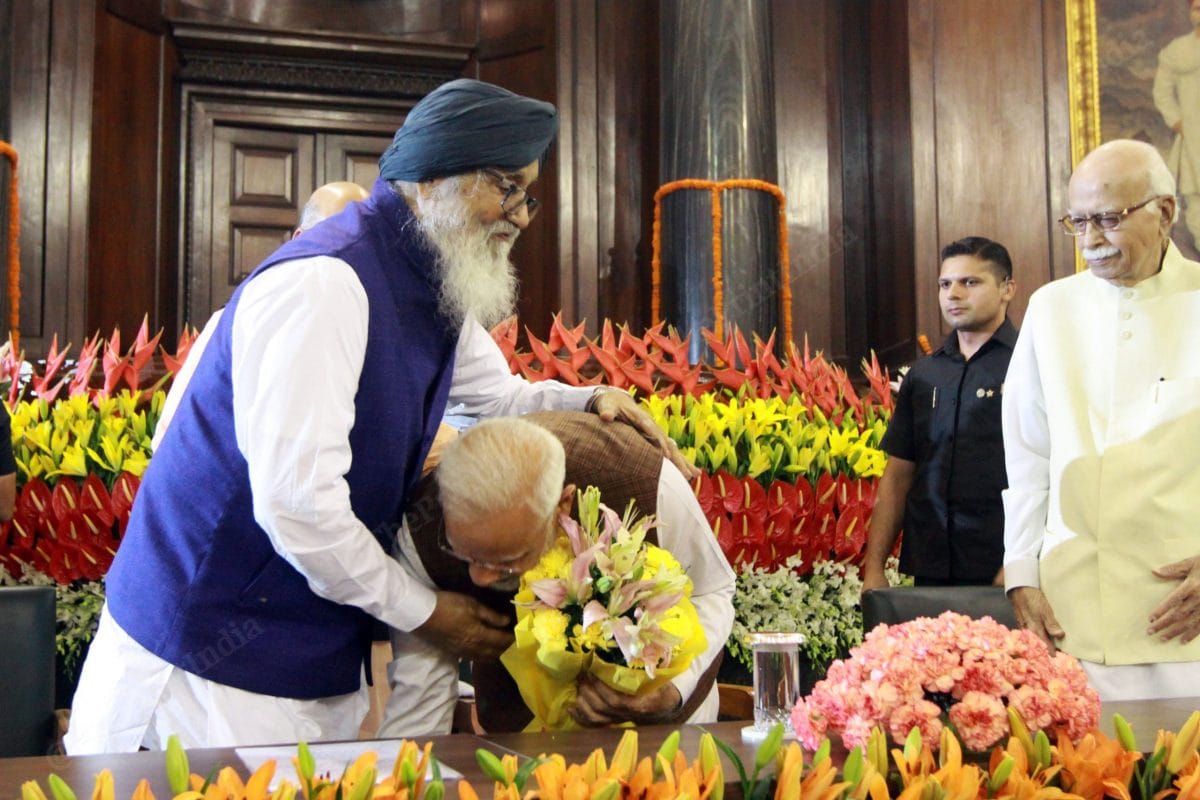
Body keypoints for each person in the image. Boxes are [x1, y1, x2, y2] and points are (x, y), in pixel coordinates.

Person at [66, 78, 683, 754]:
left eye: (526, 193)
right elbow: (300, 507)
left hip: (309, 662)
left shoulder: (432, 276)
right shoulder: (324, 283)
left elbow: (498, 395)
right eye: (504, 187)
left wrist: (591, 399)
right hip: (203, 669)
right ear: (433, 177)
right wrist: (427, 614)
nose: (521, 216)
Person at [378, 412, 735, 737]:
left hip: (668, 731)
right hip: (522, 736)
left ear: (563, 506)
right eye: (464, 553)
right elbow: (420, 700)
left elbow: (713, 589)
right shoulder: (421, 538)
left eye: (506, 559)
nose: (481, 579)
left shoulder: (643, 481)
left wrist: (673, 692)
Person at [1004, 138, 1200, 701]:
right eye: (1078, 221)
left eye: (1109, 220)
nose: (1090, 241)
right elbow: (1028, 452)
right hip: (1073, 616)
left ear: (1163, 212)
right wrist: (1021, 572)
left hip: (1183, 618)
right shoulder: (1051, 308)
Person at [151, 182, 371, 450]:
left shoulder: (367, 328)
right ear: (300, 240)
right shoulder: (239, 318)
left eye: (364, 246)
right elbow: (171, 433)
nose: (351, 258)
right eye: (338, 240)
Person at [861, 236, 1016, 591]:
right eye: (945, 284)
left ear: (1007, 289)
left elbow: (1051, 472)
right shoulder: (925, 373)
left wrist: (1022, 562)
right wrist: (874, 567)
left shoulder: (1029, 363)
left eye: (970, 282)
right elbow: (899, 474)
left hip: (1003, 569)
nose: (953, 294)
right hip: (931, 565)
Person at [1153, 0, 1200, 247]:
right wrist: (1177, 122)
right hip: (1193, 138)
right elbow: (1162, 92)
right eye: (1197, 9)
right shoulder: (1178, 51)